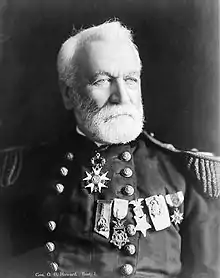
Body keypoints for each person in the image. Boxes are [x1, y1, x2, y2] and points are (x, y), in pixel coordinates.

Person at [0, 20, 220, 278]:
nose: (122, 96)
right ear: (69, 94)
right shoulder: (19, 173)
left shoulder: (187, 175)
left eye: (130, 79)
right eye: (103, 80)